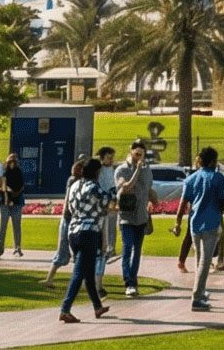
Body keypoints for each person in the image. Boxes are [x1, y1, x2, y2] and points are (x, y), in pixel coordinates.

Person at [177, 146, 224, 312]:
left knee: (198, 260)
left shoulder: (191, 178)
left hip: (195, 224)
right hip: (211, 223)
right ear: (213, 161)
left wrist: (178, 222)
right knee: (205, 262)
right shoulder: (217, 178)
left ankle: (200, 291)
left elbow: (183, 203)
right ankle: (196, 298)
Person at [57, 155, 111, 324]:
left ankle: (97, 306)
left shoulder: (74, 186)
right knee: (79, 272)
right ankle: (65, 309)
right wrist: (118, 189)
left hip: (74, 230)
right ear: (96, 172)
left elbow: (71, 208)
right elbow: (107, 200)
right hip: (89, 231)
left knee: (88, 271)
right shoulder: (93, 186)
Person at [114, 139, 155, 296]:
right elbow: (126, 187)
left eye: (141, 154)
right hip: (126, 216)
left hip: (141, 216)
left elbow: (148, 188)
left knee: (137, 250)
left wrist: (153, 200)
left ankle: (133, 278)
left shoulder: (147, 169)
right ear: (131, 151)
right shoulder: (122, 170)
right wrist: (137, 170)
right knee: (127, 248)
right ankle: (128, 282)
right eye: (136, 153)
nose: (139, 156)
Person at [43, 158, 86, 286]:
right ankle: (51, 279)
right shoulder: (75, 181)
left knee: (69, 251)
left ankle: (51, 279)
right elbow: (69, 199)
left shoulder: (73, 180)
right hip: (71, 219)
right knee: (74, 251)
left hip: (69, 218)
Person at [92, 143, 120, 305]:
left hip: (111, 205)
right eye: (108, 157)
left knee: (111, 230)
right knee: (102, 232)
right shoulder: (100, 171)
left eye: (112, 157)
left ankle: (110, 248)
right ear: (103, 158)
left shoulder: (113, 170)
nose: (111, 160)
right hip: (102, 206)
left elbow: (114, 187)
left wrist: (114, 198)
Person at [0, 151, 27, 256]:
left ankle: (17, 248)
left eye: (14, 161)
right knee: (2, 226)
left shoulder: (19, 172)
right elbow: (1, 186)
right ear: (7, 162)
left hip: (17, 202)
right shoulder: (3, 172)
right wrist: (8, 197)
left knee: (16, 226)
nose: (12, 163)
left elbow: (21, 186)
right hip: (4, 202)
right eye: (10, 161)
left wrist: (15, 194)